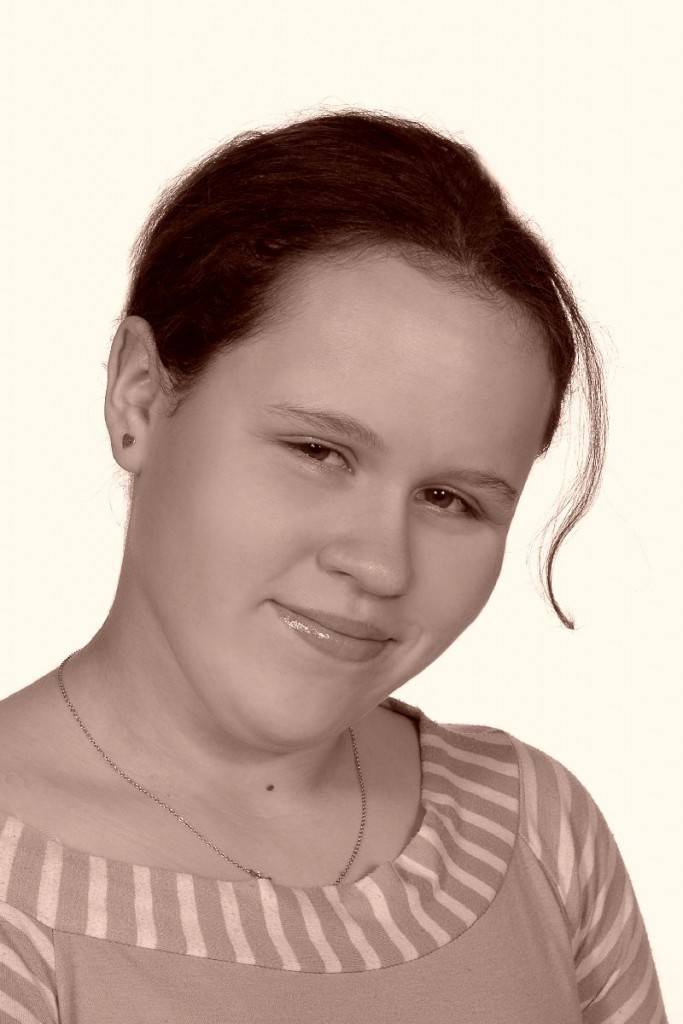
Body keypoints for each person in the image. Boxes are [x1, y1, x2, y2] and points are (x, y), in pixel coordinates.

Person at [0, 109, 668, 1023]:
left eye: (450, 500)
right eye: (318, 451)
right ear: (140, 399)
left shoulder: (537, 833)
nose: (380, 564)